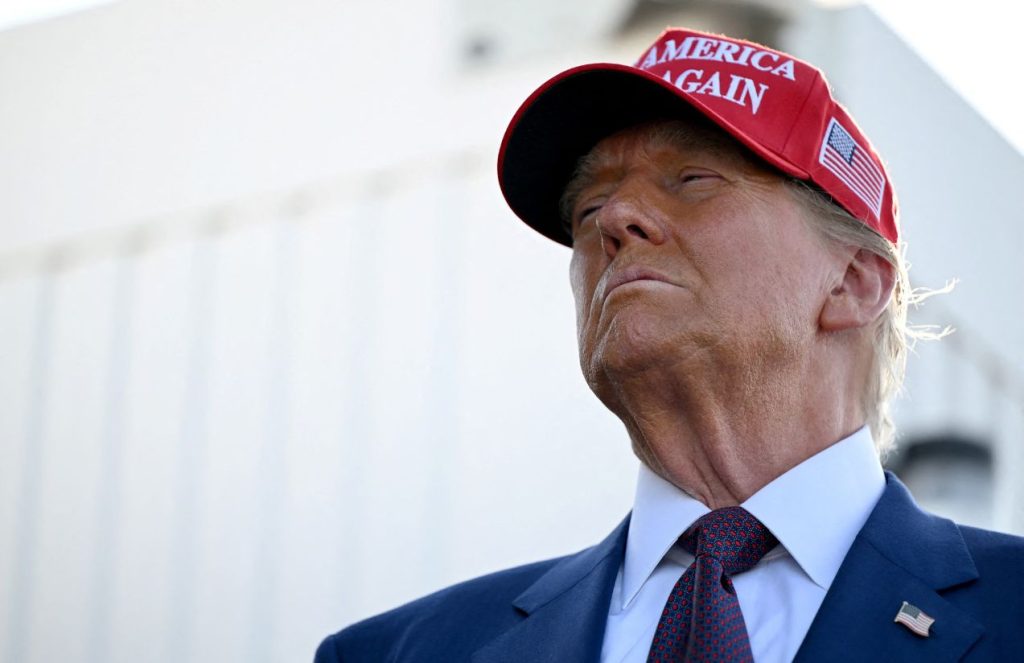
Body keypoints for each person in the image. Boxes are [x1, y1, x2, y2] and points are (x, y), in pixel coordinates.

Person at [315, 27, 1024, 662]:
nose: (615, 218)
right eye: (589, 206)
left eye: (691, 180)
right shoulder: (394, 653)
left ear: (852, 283)